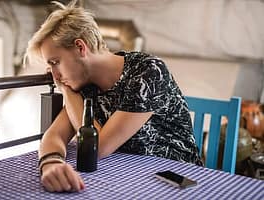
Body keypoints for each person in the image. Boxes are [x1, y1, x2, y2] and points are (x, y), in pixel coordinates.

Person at [25, 0, 202, 193]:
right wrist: (51, 164)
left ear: (80, 47)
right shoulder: (85, 85)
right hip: (128, 177)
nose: (54, 76)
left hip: (178, 183)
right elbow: (54, 135)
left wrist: (66, 91)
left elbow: (98, 149)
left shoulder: (148, 72)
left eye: (55, 62)